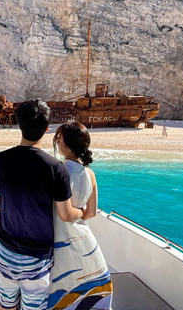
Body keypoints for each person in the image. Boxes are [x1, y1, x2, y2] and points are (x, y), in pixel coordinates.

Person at [0, 99, 84, 310]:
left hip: (4, 251)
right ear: (47, 129)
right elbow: (65, 214)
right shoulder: (56, 169)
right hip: (36, 259)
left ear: (19, 125)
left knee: (6, 305)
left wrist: (12, 206)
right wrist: (81, 212)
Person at [48, 122, 113, 310]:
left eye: (59, 140)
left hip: (59, 240)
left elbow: (59, 212)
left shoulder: (58, 170)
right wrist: (79, 213)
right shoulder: (90, 174)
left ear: (67, 145)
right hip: (84, 239)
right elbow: (91, 212)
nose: (57, 143)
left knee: (59, 286)